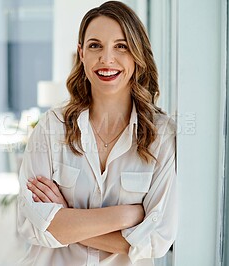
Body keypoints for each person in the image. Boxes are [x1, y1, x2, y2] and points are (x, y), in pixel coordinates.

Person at [16, 1, 177, 265]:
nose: (106, 58)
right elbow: (34, 226)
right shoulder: (51, 127)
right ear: (81, 53)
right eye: (95, 46)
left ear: (137, 54)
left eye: (121, 46)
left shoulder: (161, 136)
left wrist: (67, 218)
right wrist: (127, 216)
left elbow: (156, 240)